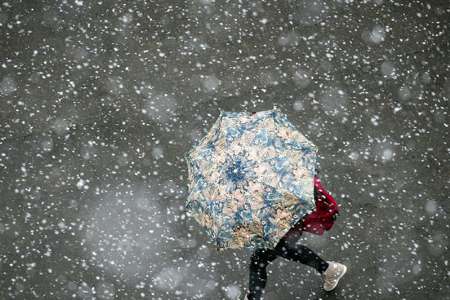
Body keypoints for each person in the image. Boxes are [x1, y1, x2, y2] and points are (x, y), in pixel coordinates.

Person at [244, 176, 347, 300]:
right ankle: (329, 269)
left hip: (283, 221)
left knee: (262, 259)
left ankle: (329, 269)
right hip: (286, 220)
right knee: (277, 252)